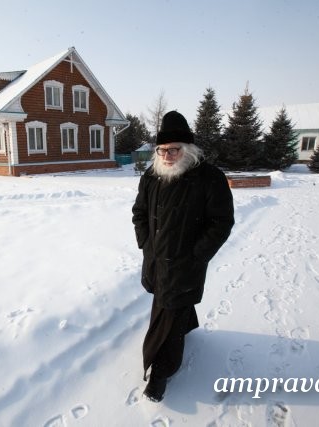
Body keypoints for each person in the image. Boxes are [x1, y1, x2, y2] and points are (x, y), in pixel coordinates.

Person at [132, 110, 235, 402]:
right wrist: (146, 244)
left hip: (185, 264)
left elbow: (222, 221)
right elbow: (139, 213)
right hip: (155, 261)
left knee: (167, 314)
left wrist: (197, 254)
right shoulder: (152, 176)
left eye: (173, 150)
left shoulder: (209, 177)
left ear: (188, 149)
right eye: (162, 150)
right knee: (170, 304)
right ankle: (185, 324)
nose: (166, 156)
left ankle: (160, 373)